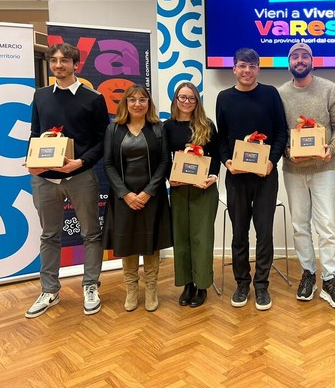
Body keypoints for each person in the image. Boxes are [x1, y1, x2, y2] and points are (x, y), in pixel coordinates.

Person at [25, 42, 110, 318]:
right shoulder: (40, 96)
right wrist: (32, 162)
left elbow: (103, 140)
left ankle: (90, 286)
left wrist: (81, 163)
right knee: (49, 235)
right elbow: (35, 133)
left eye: (64, 60)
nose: (58, 65)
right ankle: (49, 290)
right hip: (44, 179)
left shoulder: (93, 98)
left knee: (91, 234)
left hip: (80, 176)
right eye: (54, 60)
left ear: (76, 64)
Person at [278, 43, 335, 309]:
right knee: (300, 225)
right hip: (294, 170)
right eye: (295, 56)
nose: (299, 60)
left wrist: (332, 147)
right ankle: (308, 273)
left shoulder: (329, 89)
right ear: (289, 62)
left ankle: (330, 279)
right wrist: (287, 152)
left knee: (327, 226)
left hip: (323, 169)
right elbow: (279, 132)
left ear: (312, 61)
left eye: (304, 56)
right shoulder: (281, 94)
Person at [216, 48, 288, 311]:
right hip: (236, 177)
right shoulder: (224, 97)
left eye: (252, 66)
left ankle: (261, 285)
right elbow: (221, 137)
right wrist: (227, 161)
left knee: (264, 232)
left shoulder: (270, 94)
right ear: (234, 68)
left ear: (258, 69)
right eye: (242, 66)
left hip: (265, 175)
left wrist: (272, 161)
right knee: (239, 232)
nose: (247, 70)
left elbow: (281, 132)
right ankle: (242, 283)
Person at [103, 84, 172, 312]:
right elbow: (108, 164)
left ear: (148, 103)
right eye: (132, 100)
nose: (137, 104)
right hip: (123, 197)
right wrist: (125, 193)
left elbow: (165, 162)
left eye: (142, 99)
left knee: (151, 244)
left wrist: (148, 192)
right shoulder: (113, 129)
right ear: (125, 103)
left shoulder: (158, 128)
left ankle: (151, 289)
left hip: (152, 195)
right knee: (128, 243)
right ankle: (131, 290)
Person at [164, 81, 220, 308]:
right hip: (179, 189)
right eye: (182, 97)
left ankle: (202, 285)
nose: (187, 102)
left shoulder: (206, 125)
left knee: (202, 237)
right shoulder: (167, 127)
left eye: (191, 98)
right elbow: (164, 158)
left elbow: (216, 155)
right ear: (176, 100)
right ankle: (187, 284)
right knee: (182, 237)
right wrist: (170, 177)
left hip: (203, 189)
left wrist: (213, 176)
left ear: (197, 101)